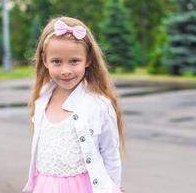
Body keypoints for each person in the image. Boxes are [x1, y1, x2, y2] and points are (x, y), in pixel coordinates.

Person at [22, 16, 125, 193]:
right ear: (45, 60)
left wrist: (113, 186)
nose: (66, 70)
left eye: (74, 61)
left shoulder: (98, 104)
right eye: (56, 61)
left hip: (82, 187)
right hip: (44, 186)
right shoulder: (41, 99)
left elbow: (111, 155)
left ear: (88, 60)